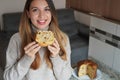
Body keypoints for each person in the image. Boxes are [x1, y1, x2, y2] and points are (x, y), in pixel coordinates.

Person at [3, 0, 73, 80]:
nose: (41, 16)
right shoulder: (16, 39)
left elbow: (65, 77)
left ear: (52, 13)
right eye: (35, 10)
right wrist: (26, 59)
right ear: (28, 14)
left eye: (47, 9)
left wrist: (55, 57)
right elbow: (8, 78)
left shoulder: (63, 39)